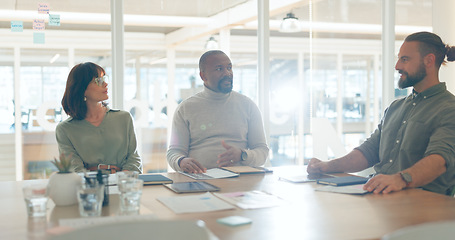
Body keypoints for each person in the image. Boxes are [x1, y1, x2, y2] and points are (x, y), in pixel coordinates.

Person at [308, 31, 455, 195]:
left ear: (429, 60)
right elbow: (369, 151)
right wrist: (327, 166)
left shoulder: (449, 109)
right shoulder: (396, 107)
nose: (397, 66)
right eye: (398, 59)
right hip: (382, 196)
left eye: (404, 59)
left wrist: (400, 179)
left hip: (423, 204)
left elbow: (440, 160)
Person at [167, 50, 269, 173]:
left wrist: (242, 155)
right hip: (199, 179)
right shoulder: (185, 108)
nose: (227, 73)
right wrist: (181, 161)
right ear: (203, 76)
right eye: (219, 69)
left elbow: (262, 151)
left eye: (229, 68)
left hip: (239, 180)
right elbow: (174, 152)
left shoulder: (248, 106)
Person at [56, 62, 142, 173]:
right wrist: (108, 173)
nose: (105, 84)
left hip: (124, 186)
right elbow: (75, 171)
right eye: (98, 81)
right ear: (82, 89)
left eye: (104, 78)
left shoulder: (124, 118)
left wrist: (118, 178)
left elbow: (134, 160)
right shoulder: (64, 129)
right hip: (88, 188)